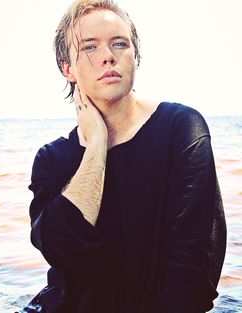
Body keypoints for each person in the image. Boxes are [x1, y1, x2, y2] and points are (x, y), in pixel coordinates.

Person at [28, 0, 227, 312]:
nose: (109, 56)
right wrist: (96, 146)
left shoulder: (181, 128)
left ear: (135, 56)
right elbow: (60, 250)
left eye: (119, 44)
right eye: (90, 47)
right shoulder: (52, 158)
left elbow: (197, 257)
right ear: (68, 68)